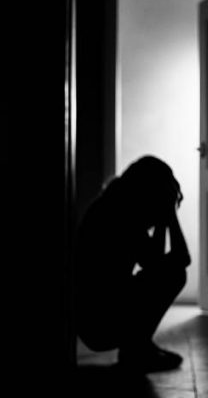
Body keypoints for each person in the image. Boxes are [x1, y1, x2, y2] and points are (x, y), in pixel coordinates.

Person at [76, 155, 191, 372]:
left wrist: (164, 219)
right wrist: (170, 216)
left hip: (95, 319)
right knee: (175, 274)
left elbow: (155, 263)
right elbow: (174, 262)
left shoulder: (114, 205)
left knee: (168, 273)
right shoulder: (119, 215)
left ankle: (139, 346)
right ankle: (137, 349)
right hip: (99, 324)